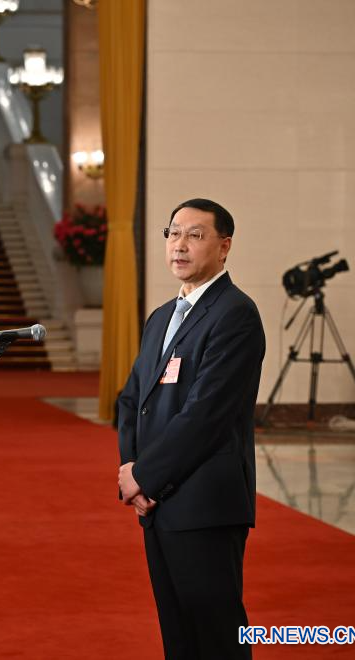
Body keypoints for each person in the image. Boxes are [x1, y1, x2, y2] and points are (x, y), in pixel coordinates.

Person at [117, 198, 265, 660]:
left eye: (195, 235)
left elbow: (206, 415)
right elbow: (131, 401)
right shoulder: (162, 316)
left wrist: (145, 477)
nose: (180, 245)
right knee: (178, 633)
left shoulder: (235, 314)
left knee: (217, 636)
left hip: (205, 502)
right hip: (158, 503)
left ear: (224, 247)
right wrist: (130, 466)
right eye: (174, 233)